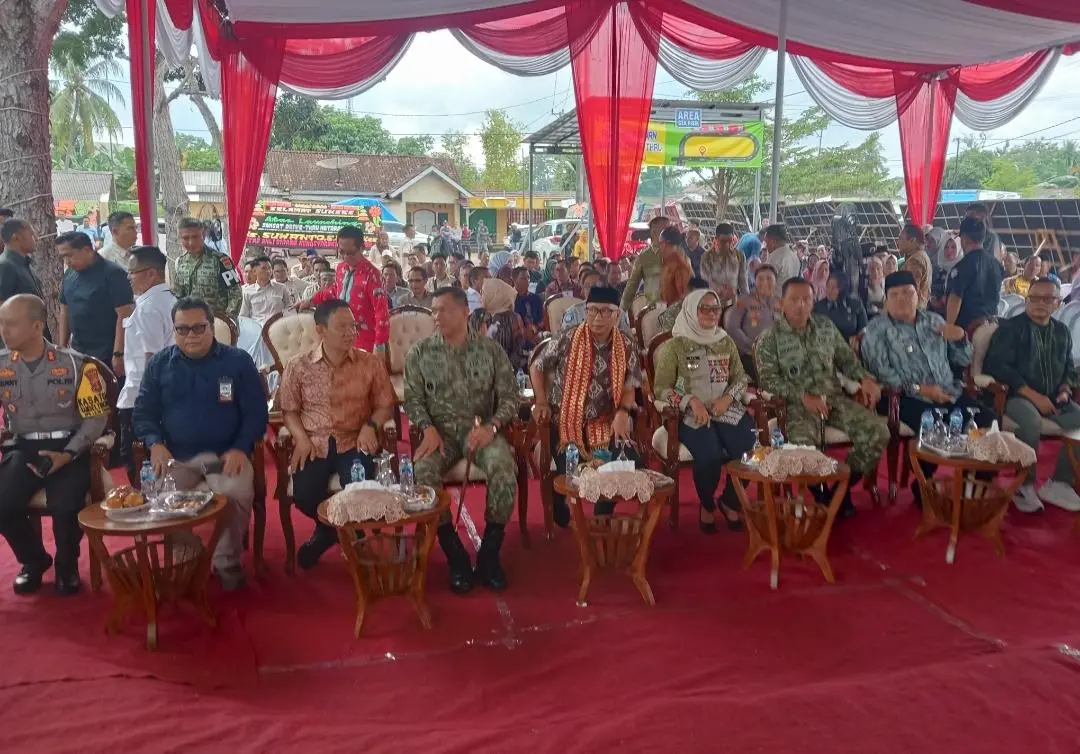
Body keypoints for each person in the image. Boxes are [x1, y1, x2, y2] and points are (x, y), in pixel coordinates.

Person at [134, 297, 268, 590]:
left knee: (232, 494)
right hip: (178, 456)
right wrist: (154, 442)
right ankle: (187, 559)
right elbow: (143, 413)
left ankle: (226, 563)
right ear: (174, 330)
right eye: (182, 330)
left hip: (227, 454)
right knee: (158, 498)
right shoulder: (159, 364)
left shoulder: (237, 361)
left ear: (211, 326)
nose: (191, 336)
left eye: (198, 328)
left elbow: (257, 414)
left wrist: (241, 447)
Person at [403, 287, 520, 594]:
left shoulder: (490, 351)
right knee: (423, 472)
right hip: (439, 434)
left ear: (464, 312)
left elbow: (510, 397)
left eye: (443, 310)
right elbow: (413, 400)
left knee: (503, 466)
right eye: (434, 311)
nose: (436, 317)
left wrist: (492, 427)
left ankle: (490, 553)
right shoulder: (420, 352)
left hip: (479, 432)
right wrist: (426, 427)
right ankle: (454, 553)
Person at [0, 295, 110, 594]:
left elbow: (96, 417)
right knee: (3, 503)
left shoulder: (75, 365)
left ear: (37, 326)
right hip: (22, 449)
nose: (3, 330)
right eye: (1, 324)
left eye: (10, 324)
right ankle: (34, 561)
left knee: (66, 504)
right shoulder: (1, 366)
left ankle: (67, 566)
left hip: (68, 447)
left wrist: (70, 453)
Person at [755, 278, 889, 516]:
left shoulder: (825, 326)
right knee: (805, 449)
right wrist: (802, 396)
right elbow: (768, 380)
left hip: (834, 400)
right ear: (781, 304)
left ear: (813, 300)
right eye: (794, 300)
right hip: (797, 406)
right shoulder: (770, 338)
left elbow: (847, 359)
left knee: (878, 432)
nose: (801, 305)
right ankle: (822, 495)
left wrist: (864, 379)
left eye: (806, 299)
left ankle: (841, 488)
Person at [278, 299, 395, 568]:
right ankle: (332, 531)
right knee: (305, 496)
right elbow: (289, 411)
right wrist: (301, 438)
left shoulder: (370, 363)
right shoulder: (299, 366)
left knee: (360, 488)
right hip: (314, 442)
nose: (350, 333)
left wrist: (371, 426)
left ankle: (331, 534)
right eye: (342, 327)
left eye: (353, 326)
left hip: (355, 439)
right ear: (320, 330)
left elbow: (385, 404)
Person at [861, 271, 994, 504]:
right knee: (933, 421)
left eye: (908, 293)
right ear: (886, 300)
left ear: (919, 294)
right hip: (901, 396)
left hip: (947, 391)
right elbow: (883, 373)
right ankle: (924, 483)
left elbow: (962, 360)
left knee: (988, 420)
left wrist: (961, 338)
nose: (902, 299)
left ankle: (973, 483)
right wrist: (921, 389)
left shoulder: (935, 321)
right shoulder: (877, 329)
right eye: (895, 295)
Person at [532, 286, 642, 526]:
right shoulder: (567, 337)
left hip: (606, 419)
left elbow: (629, 385)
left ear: (617, 314)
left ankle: (602, 512)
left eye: (605, 312)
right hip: (565, 420)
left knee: (630, 462)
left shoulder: (626, 344)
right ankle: (561, 507)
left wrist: (623, 412)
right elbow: (537, 366)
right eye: (591, 311)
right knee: (573, 472)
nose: (597, 318)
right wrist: (540, 400)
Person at [653, 289, 757, 532]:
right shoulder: (675, 346)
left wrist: (728, 397)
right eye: (705, 308)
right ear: (691, 310)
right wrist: (690, 400)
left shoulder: (724, 340)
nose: (712, 314)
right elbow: (661, 390)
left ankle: (730, 501)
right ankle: (707, 504)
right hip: (690, 414)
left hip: (725, 409)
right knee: (708, 455)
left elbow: (741, 377)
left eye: (716, 308)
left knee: (749, 449)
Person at [984, 278, 1080, 513]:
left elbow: (1069, 368)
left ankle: (1058, 482)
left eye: (1048, 299)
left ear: (1058, 303)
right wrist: (1034, 397)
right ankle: (1024, 484)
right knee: (1031, 421)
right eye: (1034, 298)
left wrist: (1066, 390)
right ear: (1027, 300)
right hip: (1017, 397)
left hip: (1054, 398)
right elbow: (998, 367)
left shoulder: (1062, 332)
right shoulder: (1011, 328)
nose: (1040, 303)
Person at [116, 247, 176, 481]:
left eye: (132, 272)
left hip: (141, 396)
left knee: (137, 462)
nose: (129, 278)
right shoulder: (167, 301)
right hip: (156, 394)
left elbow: (152, 359)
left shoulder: (150, 308)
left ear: (151, 274)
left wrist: (147, 403)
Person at [56, 231, 135, 383]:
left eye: (70, 255)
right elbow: (64, 310)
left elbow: (124, 315)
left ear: (87, 250)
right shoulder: (69, 274)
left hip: (107, 352)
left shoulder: (113, 274)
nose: (67, 261)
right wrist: (62, 348)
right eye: (63, 257)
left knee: (110, 399)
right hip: (78, 351)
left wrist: (118, 353)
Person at [305, 225, 390, 352]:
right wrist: (311, 300)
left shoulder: (373, 274)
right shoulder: (340, 268)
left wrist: (380, 347)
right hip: (340, 336)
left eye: (350, 253)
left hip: (365, 340)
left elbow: (381, 313)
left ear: (361, 248)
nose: (345, 256)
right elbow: (334, 290)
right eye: (341, 252)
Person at [173, 217, 242, 318]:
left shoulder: (220, 260)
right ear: (179, 239)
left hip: (217, 324)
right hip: (191, 324)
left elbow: (236, 294)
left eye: (195, 237)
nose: (191, 242)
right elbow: (178, 296)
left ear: (204, 235)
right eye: (186, 238)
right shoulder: (180, 262)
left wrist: (227, 321)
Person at [946, 216, 1003, 333]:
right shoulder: (997, 264)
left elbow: (955, 298)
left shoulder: (962, 266)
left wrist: (949, 326)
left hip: (969, 329)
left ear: (964, 239)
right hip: (993, 325)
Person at [0, 219, 51, 343]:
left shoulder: (25, 264)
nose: (36, 238)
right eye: (31, 235)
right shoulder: (5, 265)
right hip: (21, 343)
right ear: (16, 237)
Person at [723, 264, 779, 378]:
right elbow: (731, 327)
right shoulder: (744, 300)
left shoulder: (781, 301)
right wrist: (751, 344)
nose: (764, 282)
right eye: (760, 278)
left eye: (769, 278)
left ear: (776, 281)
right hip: (751, 356)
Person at [469, 278, 527, 371]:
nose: (480, 297)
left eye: (483, 293)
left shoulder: (510, 319)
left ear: (495, 296)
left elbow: (513, 351)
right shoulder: (480, 315)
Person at [562, 268, 632, 336]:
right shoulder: (574, 312)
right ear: (583, 289)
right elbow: (565, 340)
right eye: (587, 286)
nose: (590, 290)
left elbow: (627, 338)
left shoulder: (617, 311)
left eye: (595, 286)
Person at [620, 216, 670, 310]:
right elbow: (632, 285)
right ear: (654, 232)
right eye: (666, 230)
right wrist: (622, 310)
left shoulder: (679, 253)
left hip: (677, 310)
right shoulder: (644, 257)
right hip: (654, 309)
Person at [700, 222, 748, 303]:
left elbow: (743, 281)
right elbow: (705, 277)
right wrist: (721, 289)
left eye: (730, 241)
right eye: (723, 241)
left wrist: (747, 300)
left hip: (733, 302)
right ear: (716, 239)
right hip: (714, 301)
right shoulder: (707, 257)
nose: (727, 245)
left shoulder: (739, 256)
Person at [813, 271, 868, 341]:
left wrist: (857, 339)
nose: (829, 290)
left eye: (834, 287)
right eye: (828, 286)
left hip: (851, 346)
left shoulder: (856, 304)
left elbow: (863, 329)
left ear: (842, 289)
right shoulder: (818, 307)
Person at [240, 255, 292, 325]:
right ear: (255, 271)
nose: (268, 271)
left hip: (279, 329)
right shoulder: (247, 292)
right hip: (258, 331)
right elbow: (243, 316)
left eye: (270, 268)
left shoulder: (282, 288)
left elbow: (289, 310)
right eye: (264, 268)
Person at [899, 223, 932, 309]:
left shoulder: (915, 260)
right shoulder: (922, 255)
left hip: (912, 309)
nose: (898, 242)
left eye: (901, 239)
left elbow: (911, 290)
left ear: (912, 240)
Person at [659, 226, 692, 307]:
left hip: (674, 314)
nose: (659, 247)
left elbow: (683, 297)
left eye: (660, 243)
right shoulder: (667, 262)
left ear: (665, 244)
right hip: (665, 309)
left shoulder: (680, 265)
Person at [512, 266, 544, 342]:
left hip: (535, 334)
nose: (527, 281)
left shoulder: (536, 298)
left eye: (528, 278)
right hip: (517, 337)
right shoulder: (511, 299)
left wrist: (534, 328)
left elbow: (543, 319)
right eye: (523, 278)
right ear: (514, 280)